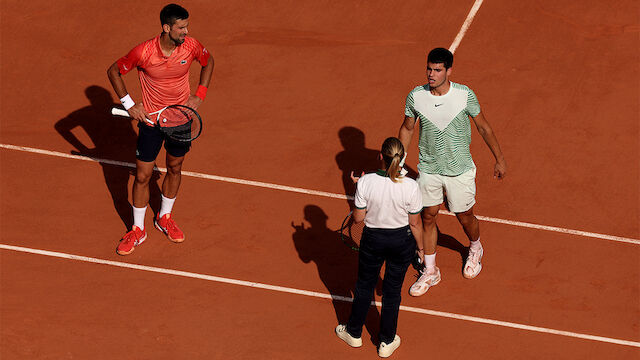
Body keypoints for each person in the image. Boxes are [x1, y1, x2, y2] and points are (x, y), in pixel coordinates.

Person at [107, 3, 214, 255]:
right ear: (166, 28)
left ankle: (164, 218)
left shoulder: (191, 46)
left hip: (181, 119)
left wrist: (199, 94)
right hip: (151, 123)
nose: (186, 31)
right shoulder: (144, 52)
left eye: (187, 26)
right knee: (143, 175)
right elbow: (114, 71)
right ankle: (137, 229)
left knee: (175, 168)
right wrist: (130, 105)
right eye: (181, 27)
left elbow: (208, 62)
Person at [398, 47, 506, 296]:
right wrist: (398, 161)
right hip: (429, 168)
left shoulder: (464, 95)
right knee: (428, 216)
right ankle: (431, 270)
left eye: (437, 70)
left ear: (449, 71)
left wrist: (499, 159)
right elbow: (407, 128)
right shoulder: (416, 96)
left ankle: (476, 247)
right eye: (429, 69)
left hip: (459, 170)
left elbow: (484, 128)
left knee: (464, 215)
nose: (431, 74)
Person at [335, 137, 423, 358]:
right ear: (403, 158)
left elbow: (357, 219)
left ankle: (354, 333)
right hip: (401, 242)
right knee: (392, 291)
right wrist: (421, 248)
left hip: (373, 240)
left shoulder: (366, 182)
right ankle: (386, 341)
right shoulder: (412, 186)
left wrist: (359, 188)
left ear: (380, 157)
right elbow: (415, 223)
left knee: (364, 285)